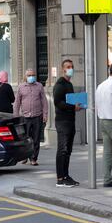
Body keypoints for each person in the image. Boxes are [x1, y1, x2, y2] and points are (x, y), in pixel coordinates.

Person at [53, 59, 81, 187]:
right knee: (62, 149)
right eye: (68, 67)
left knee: (68, 150)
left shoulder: (69, 84)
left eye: (72, 66)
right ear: (62, 69)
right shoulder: (60, 85)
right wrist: (72, 107)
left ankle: (66, 175)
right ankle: (60, 178)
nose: (70, 69)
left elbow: (70, 100)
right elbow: (58, 103)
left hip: (70, 120)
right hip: (62, 121)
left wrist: (78, 105)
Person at [14, 69, 48, 166]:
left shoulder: (39, 86)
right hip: (25, 117)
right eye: (29, 75)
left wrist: (45, 114)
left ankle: (33, 158)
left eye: (33, 75)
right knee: (25, 138)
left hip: (37, 116)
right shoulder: (21, 87)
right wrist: (16, 116)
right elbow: (17, 103)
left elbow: (44, 101)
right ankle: (24, 157)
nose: (31, 77)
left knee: (36, 138)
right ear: (25, 76)